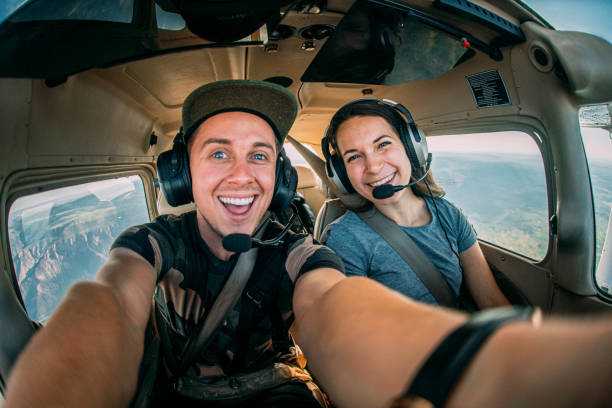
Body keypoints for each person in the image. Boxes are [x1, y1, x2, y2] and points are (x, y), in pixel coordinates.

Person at [5, 81, 612, 408]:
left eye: (260, 155)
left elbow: (334, 307)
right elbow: (110, 301)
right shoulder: (151, 242)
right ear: (181, 175)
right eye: (218, 153)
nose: (242, 176)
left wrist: (480, 372)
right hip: (179, 393)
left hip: (273, 394)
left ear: (280, 178)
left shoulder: (298, 251)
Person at [321, 98, 509, 309]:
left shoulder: (448, 214)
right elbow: (356, 329)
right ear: (341, 174)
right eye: (354, 157)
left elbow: (490, 299)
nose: (373, 167)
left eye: (383, 144)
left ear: (411, 148)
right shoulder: (345, 239)